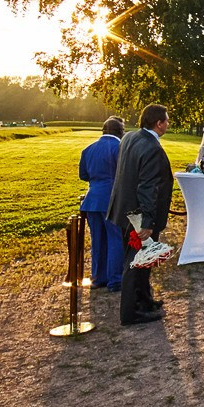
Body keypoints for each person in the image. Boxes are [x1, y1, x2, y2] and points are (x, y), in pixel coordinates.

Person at [107, 104, 174, 326]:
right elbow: (147, 187)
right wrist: (147, 222)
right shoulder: (151, 147)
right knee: (135, 262)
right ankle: (131, 312)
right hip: (138, 216)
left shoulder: (129, 138)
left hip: (123, 209)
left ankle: (145, 301)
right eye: (166, 120)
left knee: (145, 259)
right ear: (158, 123)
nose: (168, 123)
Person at [79, 116, 125, 291]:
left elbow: (83, 175)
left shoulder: (88, 150)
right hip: (112, 199)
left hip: (92, 200)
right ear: (119, 131)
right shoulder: (119, 148)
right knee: (115, 239)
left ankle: (98, 278)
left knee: (97, 240)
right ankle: (115, 280)